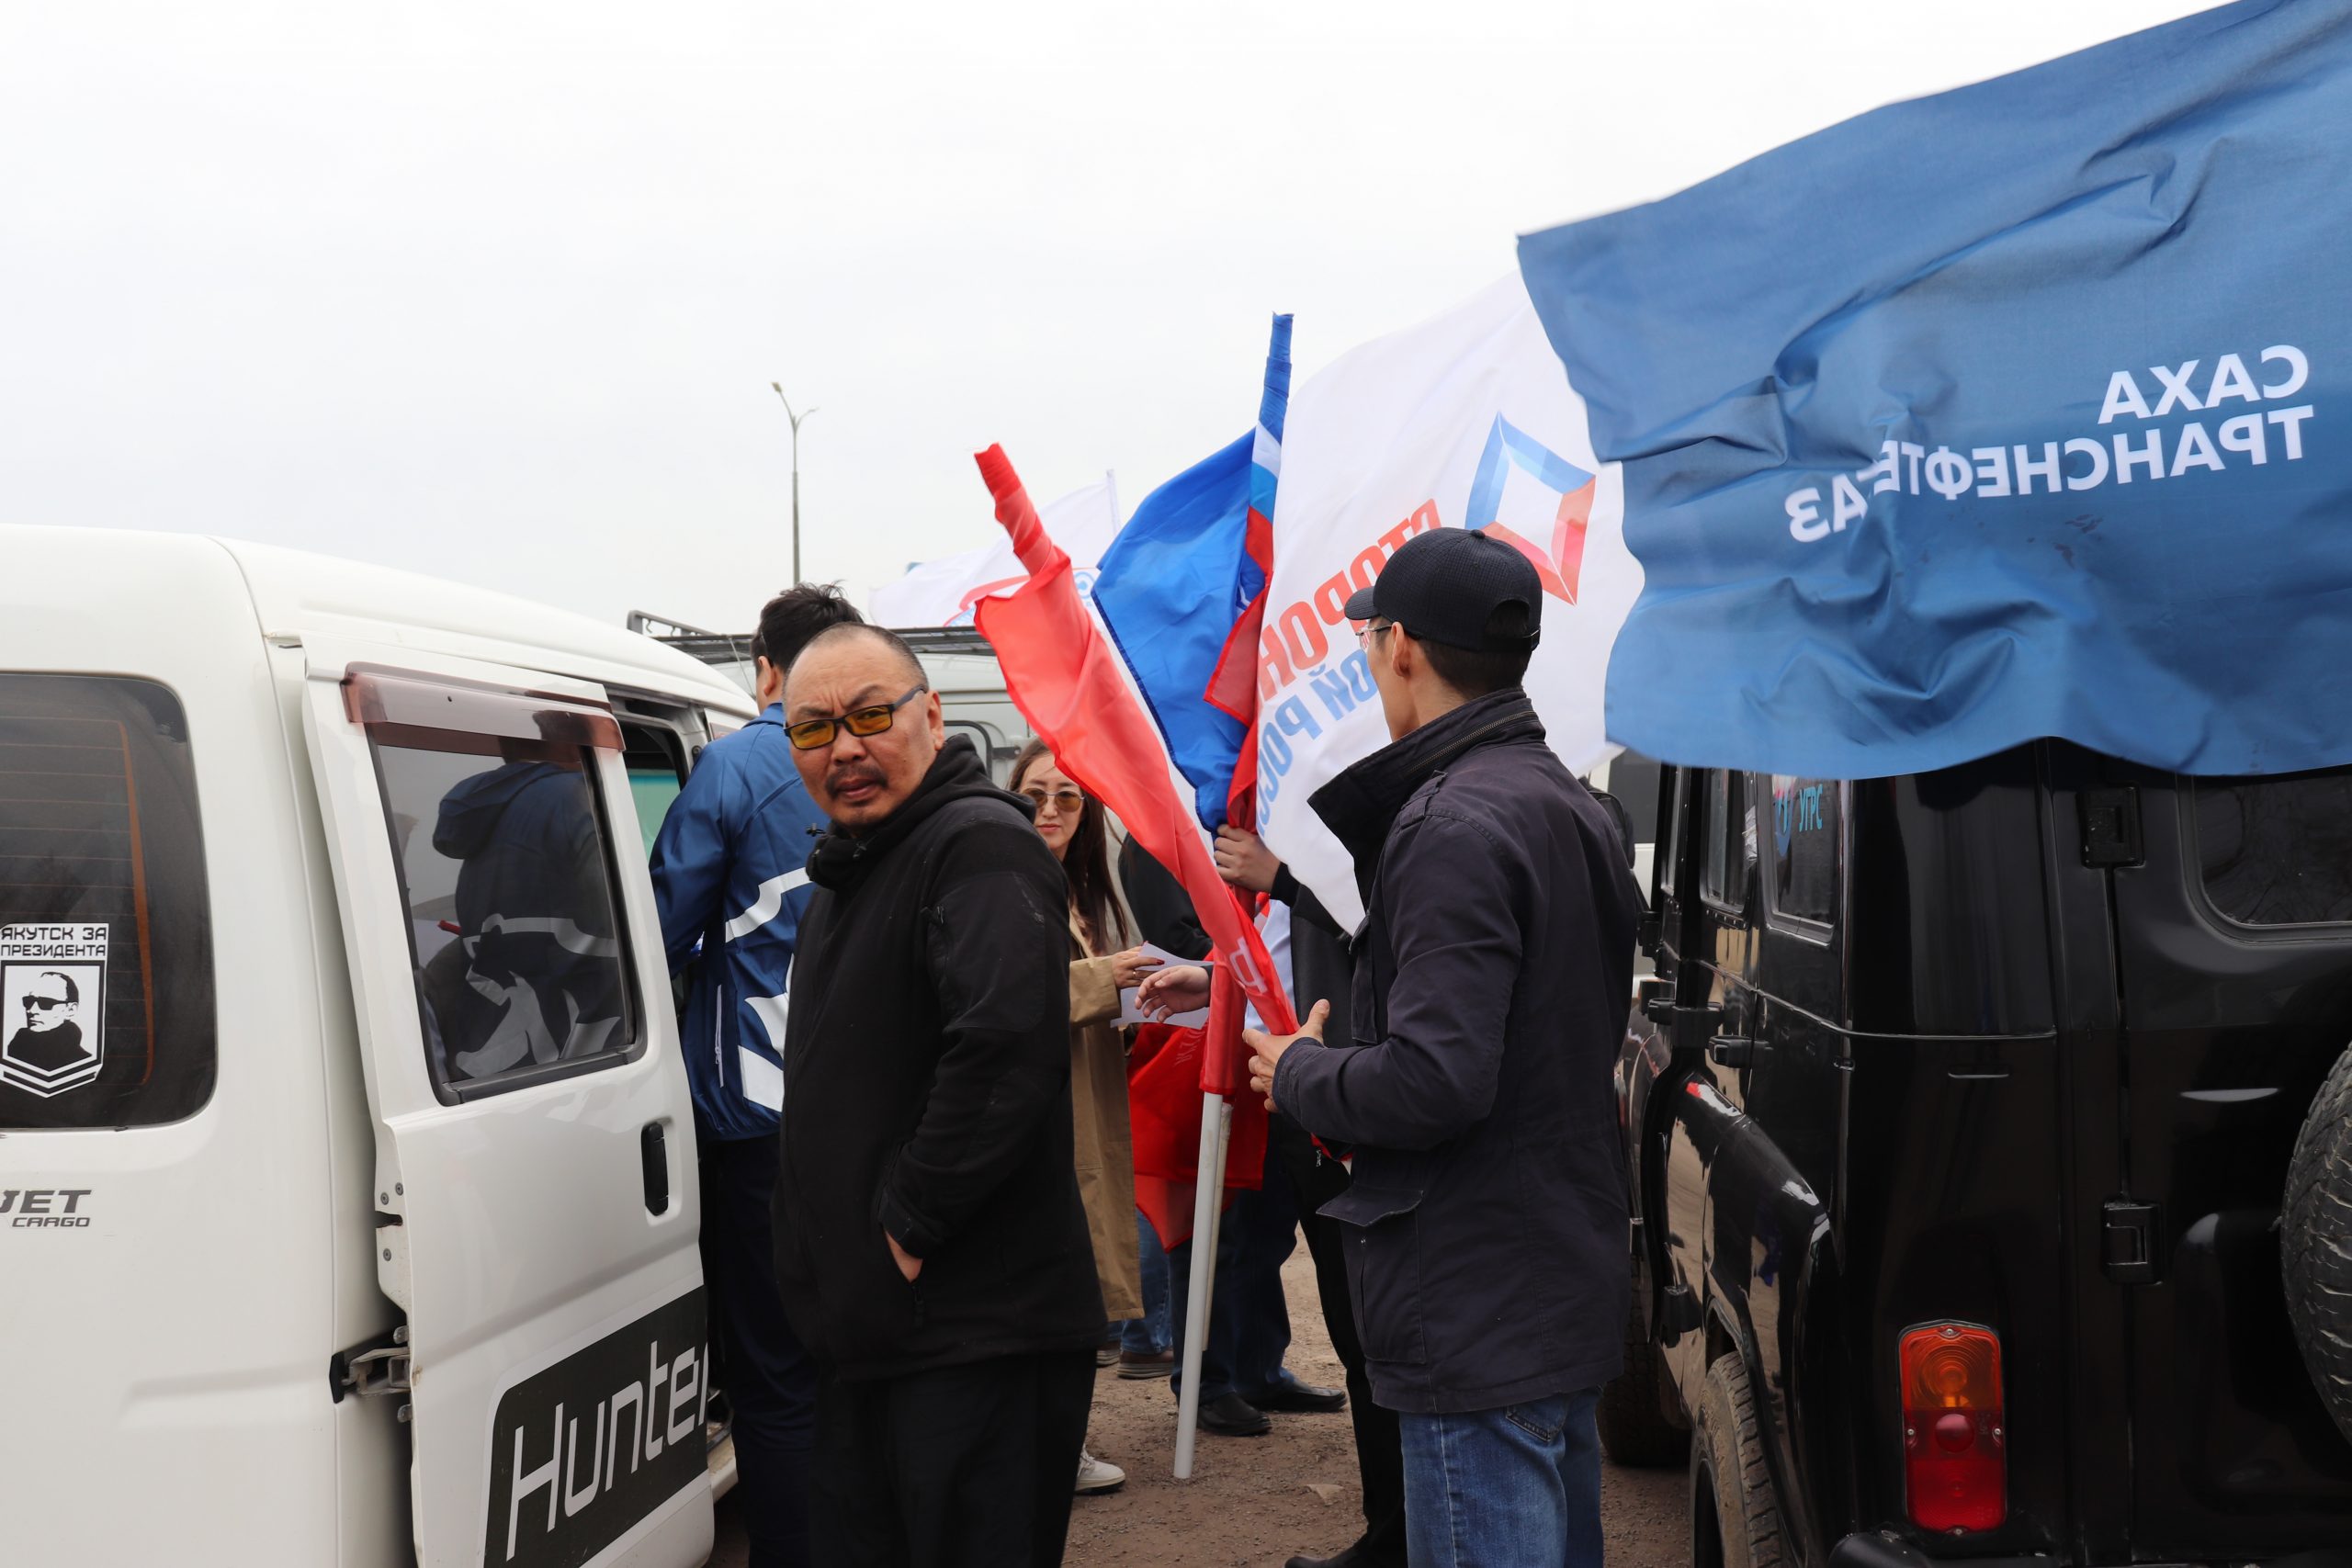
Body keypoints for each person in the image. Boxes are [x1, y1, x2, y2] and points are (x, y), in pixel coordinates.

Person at [1247, 527, 1643, 1568]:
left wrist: (1297, 1071)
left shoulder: (1450, 822)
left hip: (1476, 1294)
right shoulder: (1567, 799)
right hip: (1549, 1269)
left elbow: (1435, 1080)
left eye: (1369, 638)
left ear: (1400, 647)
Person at [773, 623, 1103, 1568]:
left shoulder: (977, 846)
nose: (845, 748)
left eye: (871, 716)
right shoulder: (860, 862)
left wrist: (909, 1227)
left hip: (974, 1338)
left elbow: (1003, 1050)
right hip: (882, 1338)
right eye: (813, 729)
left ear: (930, 713)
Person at [648, 582, 860, 1568]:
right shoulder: (890, 763)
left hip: (757, 1125)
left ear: (765, 670)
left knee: (775, 1382)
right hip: (869, 1116)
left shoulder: (734, 766)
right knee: (857, 1364)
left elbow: (658, 929)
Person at [1208, 825, 1407, 1568]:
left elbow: (1379, 918)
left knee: (1378, 1335)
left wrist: (1284, 877)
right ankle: (1390, 1529)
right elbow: (1287, 952)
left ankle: (1399, 1537)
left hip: (1353, 1091)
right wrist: (1215, 980)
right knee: (1358, 1335)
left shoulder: (1374, 811)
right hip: (1307, 1091)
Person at [1119, 840, 1346, 1438]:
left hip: (1284, 1049)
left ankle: (1257, 1367)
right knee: (1213, 1231)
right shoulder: (1160, 835)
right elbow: (1179, 932)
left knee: (1265, 1227)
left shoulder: (1260, 830)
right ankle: (1206, 1382)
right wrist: (1231, 968)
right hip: (1216, 1045)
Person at [1007, 738, 1159, 1497]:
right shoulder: (1008, 881)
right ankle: (1046, 1448)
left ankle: (1058, 1441)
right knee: (1054, 1284)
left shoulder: (1080, 887)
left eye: (1068, 797)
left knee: (1080, 1282)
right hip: (1042, 1114)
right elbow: (1009, 991)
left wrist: (1133, 1001)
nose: (1051, 810)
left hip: (1086, 1102)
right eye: (1036, 794)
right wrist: (1109, 979)